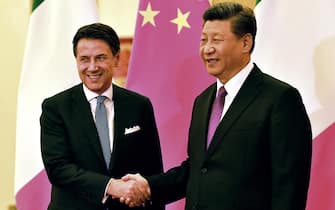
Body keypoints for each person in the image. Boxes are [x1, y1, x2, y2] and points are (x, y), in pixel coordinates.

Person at [119, 2, 312, 210]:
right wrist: (149, 187)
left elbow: (289, 186)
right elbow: (196, 169)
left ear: (246, 43)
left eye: (217, 40)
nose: (207, 48)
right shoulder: (203, 100)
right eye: (203, 40)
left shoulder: (280, 99)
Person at [40, 23, 164, 210]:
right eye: (84, 59)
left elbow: (152, 172)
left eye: (100, 58)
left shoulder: (139, 105)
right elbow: (58, 169)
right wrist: (111, 186)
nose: (92, 67)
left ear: (116, 58)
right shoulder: (55, 108)